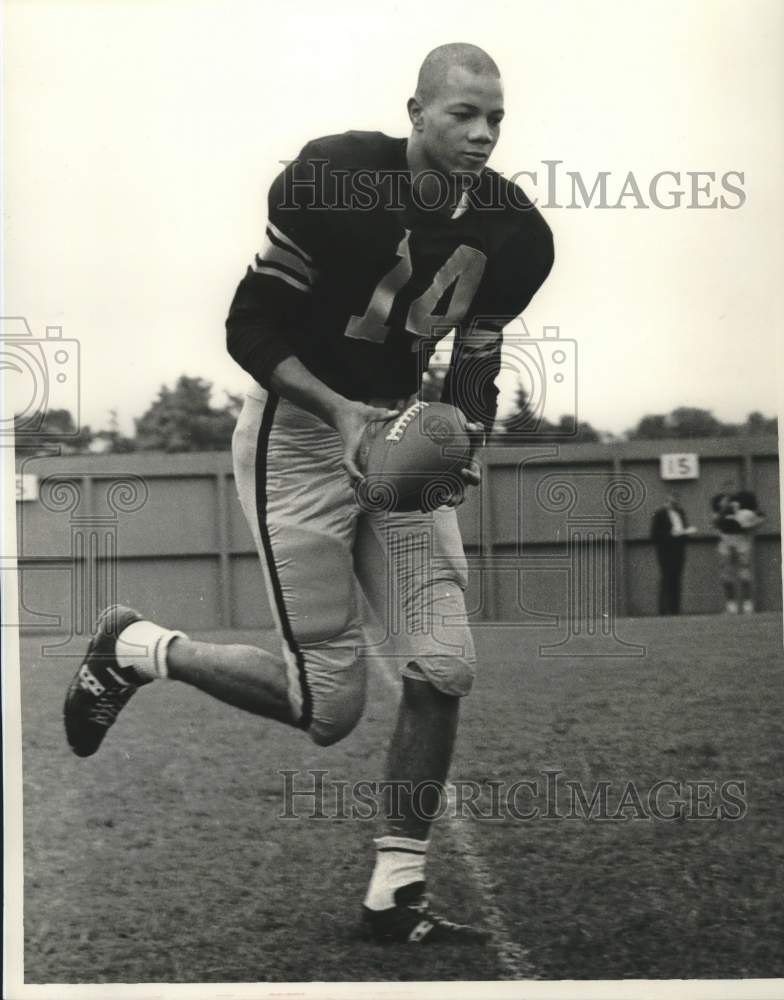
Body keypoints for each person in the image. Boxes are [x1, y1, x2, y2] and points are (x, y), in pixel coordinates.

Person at [63, 43, 554, 943]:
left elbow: (475, 362)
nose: (483, 134)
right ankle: (137, 648)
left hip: (398, 438)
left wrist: (463, 439)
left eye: (496, 119)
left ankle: (396, 888)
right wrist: (337, 412)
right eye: (463, 114)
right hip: (298, 438)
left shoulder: (516, 231)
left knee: (443, 663)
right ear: (415, 112)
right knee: (329, 709)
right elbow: (249, 324)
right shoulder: (335, 178)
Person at [710, 484, 765, 613]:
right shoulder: (719, 506)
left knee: (744, 572)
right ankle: (731, 606)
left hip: (740, 538)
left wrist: (751, 525)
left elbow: (760, 517)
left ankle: (747, 604)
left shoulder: (744, 505)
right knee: (726, 574)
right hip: (726, 539)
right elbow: (714, 523)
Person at [650, 492, 696, 615]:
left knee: (677, 579)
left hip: (679, 550)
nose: (674, 504)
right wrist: (670, 535)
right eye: (671, 502)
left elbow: (684, 528)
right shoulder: (660, 514)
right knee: (666, 578)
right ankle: (664, 610)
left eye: (676, 502)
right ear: (667, 501)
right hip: (666, 551)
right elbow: (654, 534)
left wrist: (686, 533)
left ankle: (675, 609)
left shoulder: (680, 513)